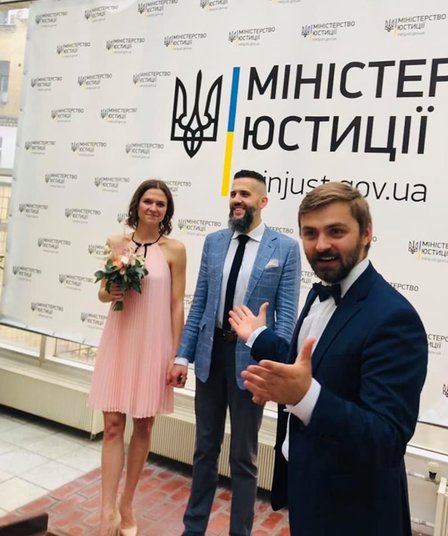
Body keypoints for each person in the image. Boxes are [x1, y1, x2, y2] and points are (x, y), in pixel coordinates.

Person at [229, 181, 428, 536]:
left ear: (366, 233)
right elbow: (310, 365)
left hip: (355, 514)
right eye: (310, 233)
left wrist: (303, 397)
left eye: (336, 231)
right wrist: (258, 336)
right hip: (307, 493)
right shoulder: (318, 294)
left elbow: (386, 439)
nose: (321, 245)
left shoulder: (394, 318)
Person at [169, 169, 300, 536]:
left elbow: (286, 317)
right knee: (204, 451)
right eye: (234, 193)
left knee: (244, 458)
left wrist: (272, 368)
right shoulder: (213, 242)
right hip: (210, 358)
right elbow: (199, 305)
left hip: (251, 365)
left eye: (246, 194)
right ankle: (193, 528)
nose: (237, 200)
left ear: (263, 201)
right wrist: (182, 356)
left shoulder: (284, 249)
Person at [88, 179, 186, 536]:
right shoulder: (117, 243)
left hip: (154, 347)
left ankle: (127, 503)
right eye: (148, 201)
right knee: (113, 426)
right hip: (120, 341)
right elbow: (103, 293)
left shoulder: (175, 250)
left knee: (143, 426)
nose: (153, 208)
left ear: (167, 211)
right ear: (137, 205)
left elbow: (176, 304)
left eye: (161, 203)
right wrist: (110, 290)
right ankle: (106, 512)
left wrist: (177, 355)